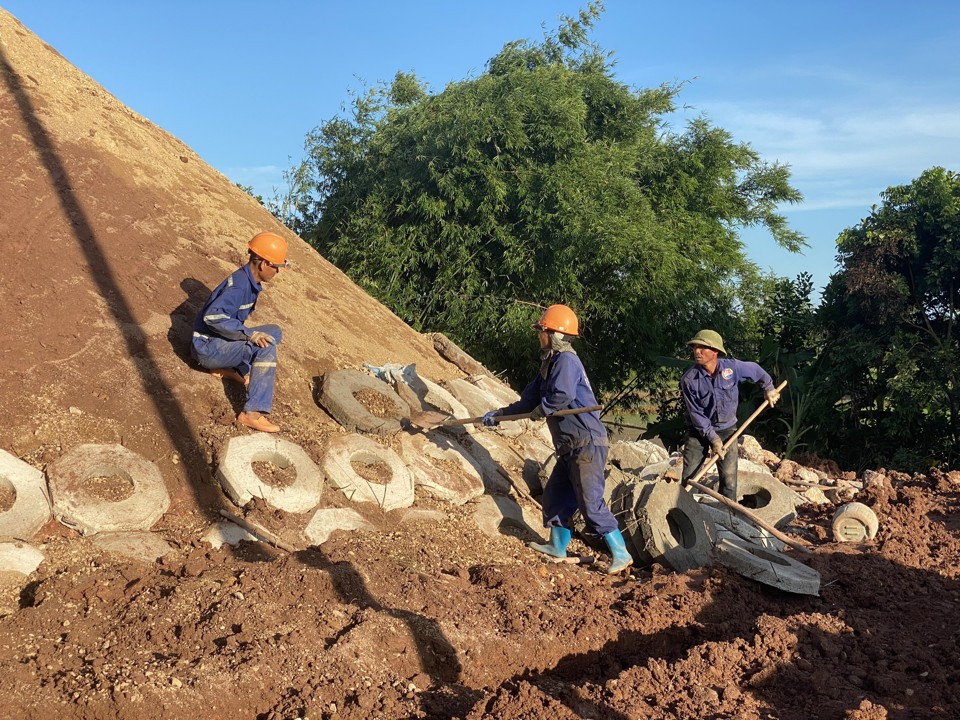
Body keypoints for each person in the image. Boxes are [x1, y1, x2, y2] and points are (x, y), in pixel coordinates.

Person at [481, 304, 633, 575]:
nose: (539, 334)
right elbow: (529, 401)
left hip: (586, 442)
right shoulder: (549, 364)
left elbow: (559, 396)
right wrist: (500, 415)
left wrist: (543, 409)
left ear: (555, 334)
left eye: (543, 330)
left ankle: (621, 553)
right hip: (569, 445)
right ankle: (557, 547)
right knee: (556, 497)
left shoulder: (567, 361)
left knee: (590, 501)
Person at [191, 231, 289, 433]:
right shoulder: (240, 286)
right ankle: (251, 414)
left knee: (274, 332)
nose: (277, 273)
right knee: (265, 347)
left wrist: (248, 334)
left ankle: (230, 370)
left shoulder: (249, 282)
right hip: (208, 348)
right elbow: (212, 317)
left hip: (219, 342)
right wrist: (248, 334)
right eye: (276, 268)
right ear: (263, 264)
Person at [679, 329, 780, 501]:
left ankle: (728, 517)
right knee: (690, 478)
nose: (697, 351)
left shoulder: (731, 368)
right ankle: (683, 511)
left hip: (728, 431)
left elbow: (756, 370)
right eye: (695, 347)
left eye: (703, 348)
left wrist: (769, 388)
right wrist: (713, 439)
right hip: (699, 432)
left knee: (729, 481)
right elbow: (696, 414)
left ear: (715, 352)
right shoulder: (689, 379)